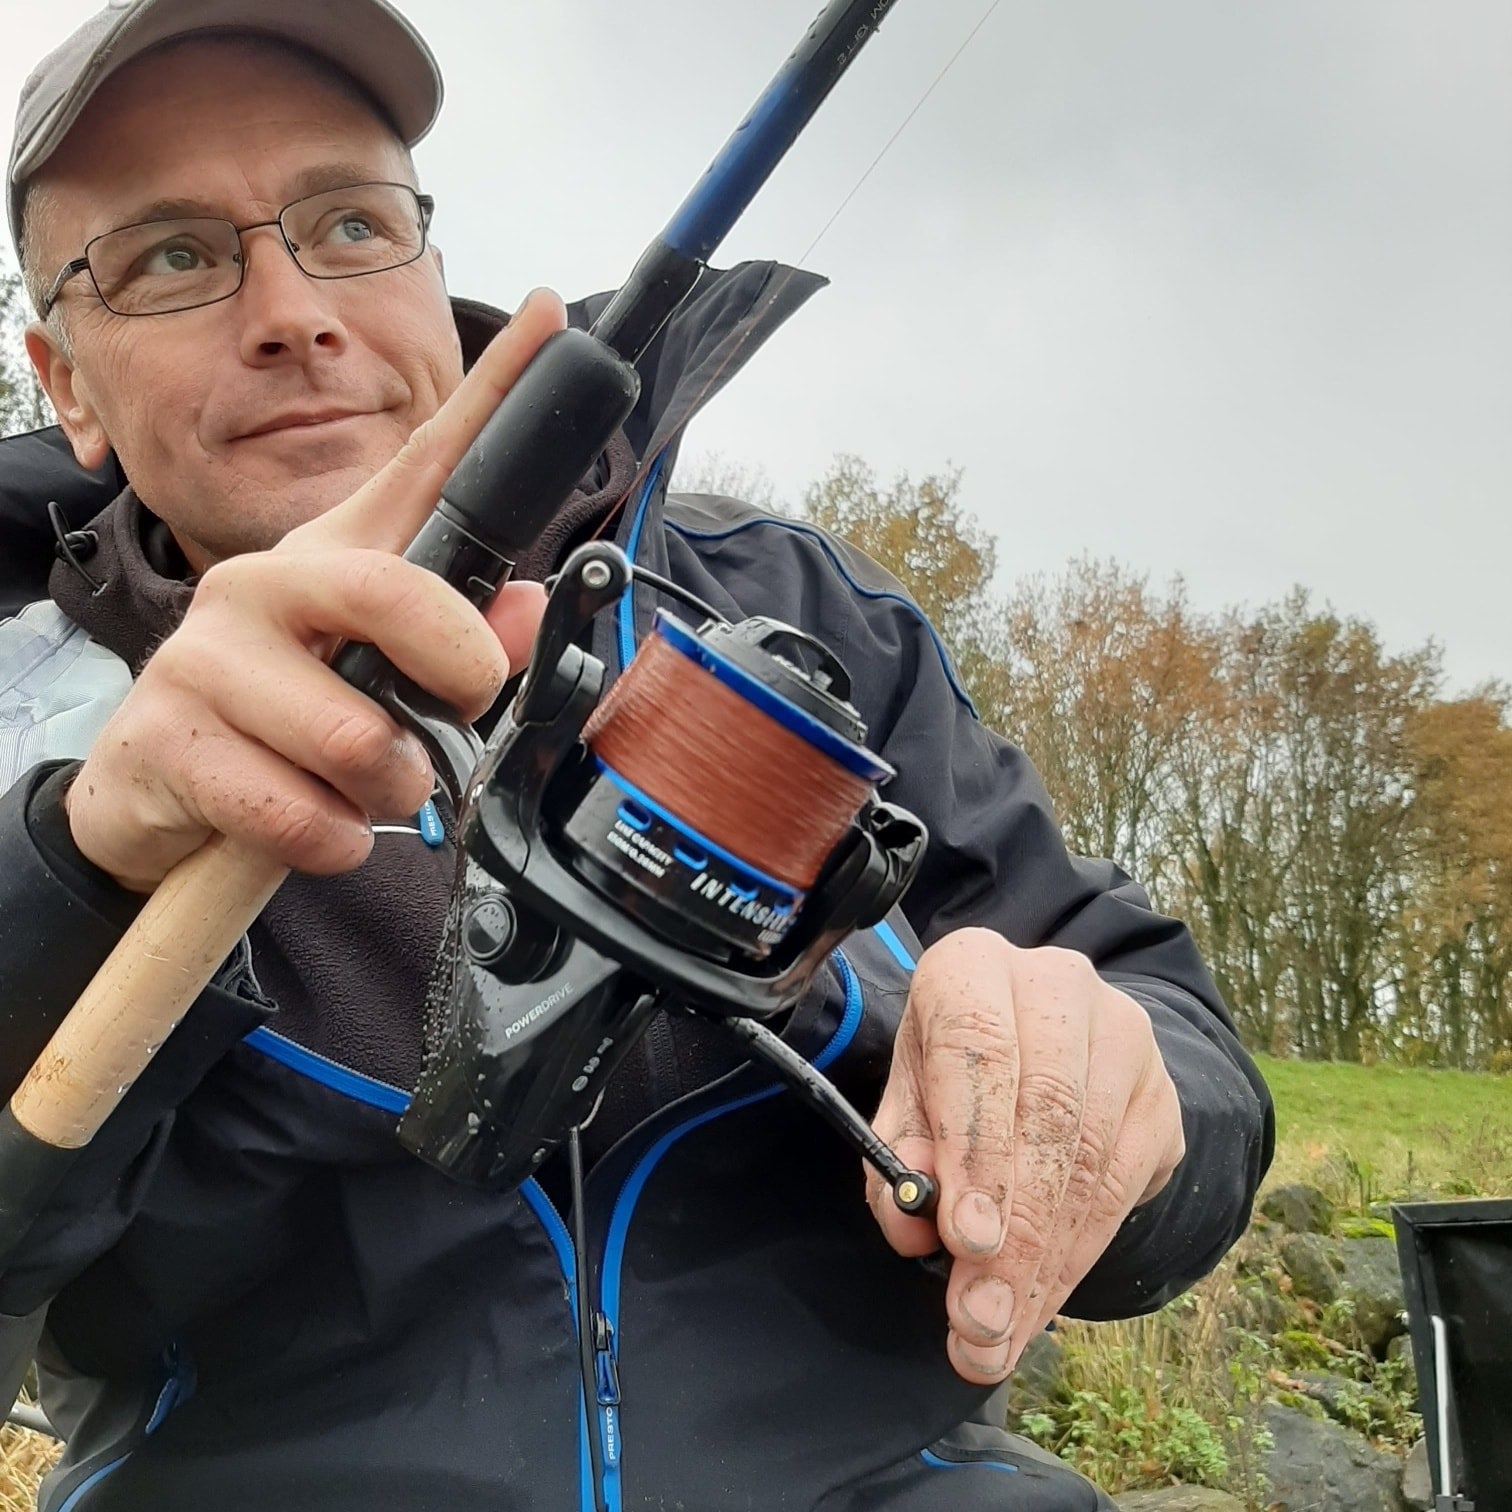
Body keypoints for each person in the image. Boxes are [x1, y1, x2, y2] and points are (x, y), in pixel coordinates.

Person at [0, 2, 1273, 1508]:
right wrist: (73, 866)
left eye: (349, 224)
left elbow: (1183, 1063)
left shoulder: (808, 612)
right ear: (65, 383)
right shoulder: (28, 705)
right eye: (168, 256)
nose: (291, 310)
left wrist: (1108, 1096)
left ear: (427, 267)